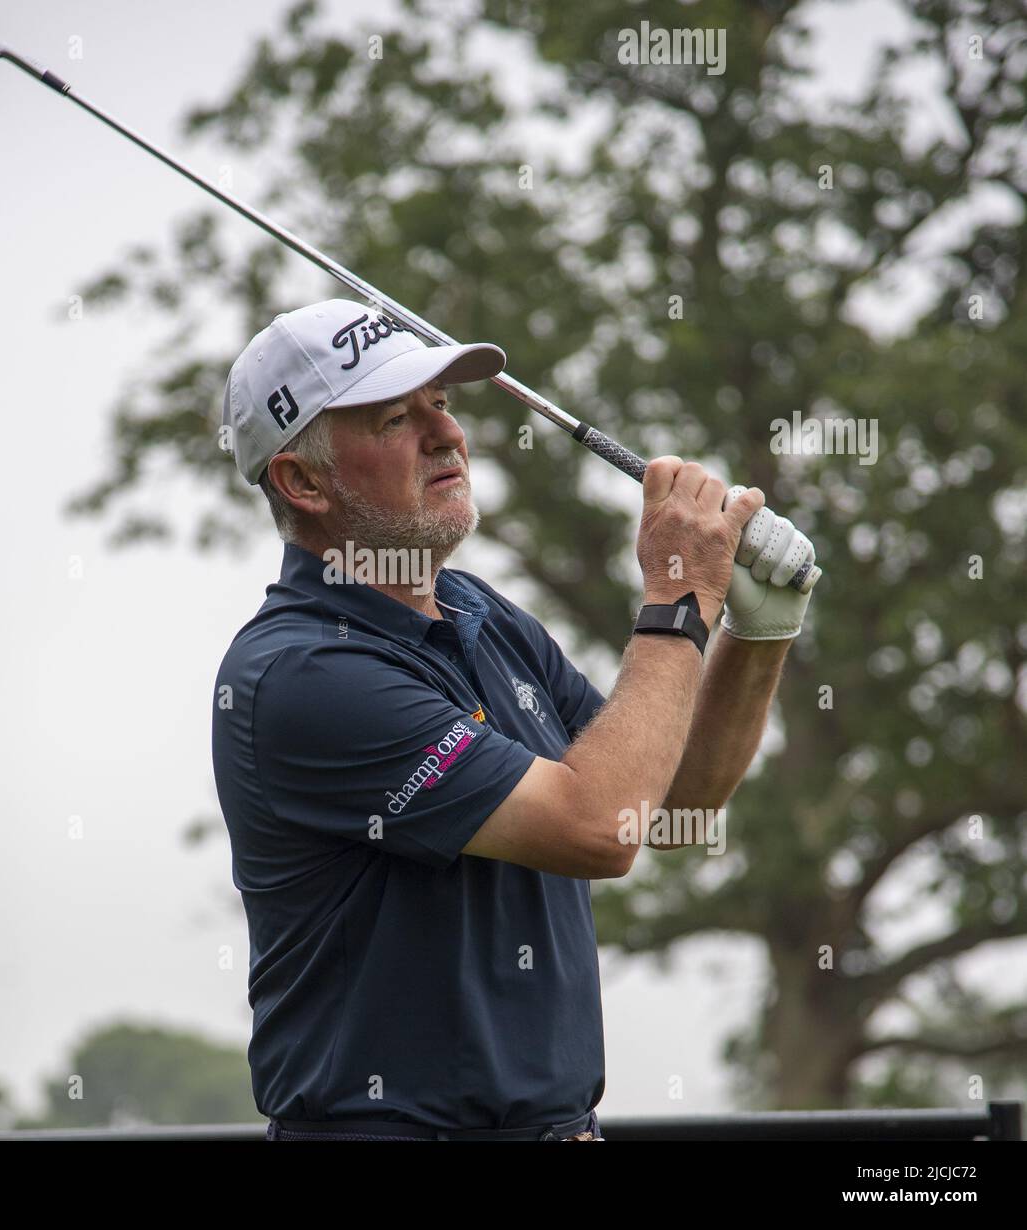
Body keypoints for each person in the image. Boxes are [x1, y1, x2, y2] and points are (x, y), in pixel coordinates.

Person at [211, 298, 818, 1141]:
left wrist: (757, 633)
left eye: (443, 405)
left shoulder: (478, 613)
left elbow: (666, 806)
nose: (446, 436)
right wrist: (679, 599)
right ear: (302, 482)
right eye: (396, 417)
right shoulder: (303, 675)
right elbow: (600, 828)